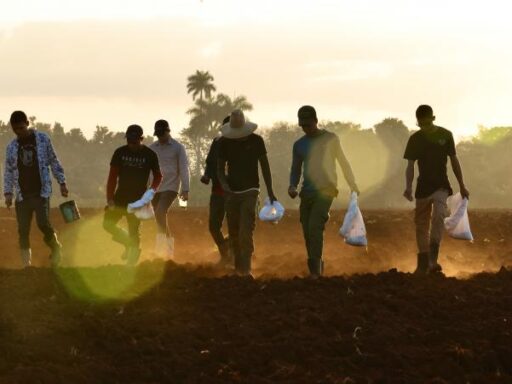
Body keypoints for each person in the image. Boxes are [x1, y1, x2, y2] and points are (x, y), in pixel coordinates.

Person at [289, 105, 359, 278]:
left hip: (326, 190)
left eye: (309, 124)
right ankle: (315, 265)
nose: (306, 128)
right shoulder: (299, 145)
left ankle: (316, 272)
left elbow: (343, 162)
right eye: (303, 125)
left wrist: (352, 183)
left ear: (316, 121)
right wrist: (292, 186)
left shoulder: (331, 139)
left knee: (314, 226)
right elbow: (296, 169)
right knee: (307, 230)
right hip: (307, 192)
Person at [403, 105, 469, 274]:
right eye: (421, 124)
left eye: (426, 123)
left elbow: (454, 160)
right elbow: (410, 165)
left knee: (439, 216)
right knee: (421, 224)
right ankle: (423, 262)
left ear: (433, 119)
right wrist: (408, 187)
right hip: (422, 187)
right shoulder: (415, 139)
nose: (424, 127)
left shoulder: (446, 135)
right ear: (418, 123)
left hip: (441, 185)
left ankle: (433, 259)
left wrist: (462, 185)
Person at [3, 110, 69, 267]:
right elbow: (9, 171)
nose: (19, 131)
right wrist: (7, 193)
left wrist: (62, 182)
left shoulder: (42, 139)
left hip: (41, 192)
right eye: (15, 129)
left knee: (42, 223)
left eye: (21, 128)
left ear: (27, 123)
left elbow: (53, 160)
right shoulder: (12, 147)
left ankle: (56, 247)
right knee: (23, 230)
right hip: (22, 195)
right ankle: (27, 265)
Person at [217, 110, 277, 276]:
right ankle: (238, 268)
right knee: (234, 231)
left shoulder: (257, 141)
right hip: (232, 192)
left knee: (246, 230)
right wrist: (224, 185)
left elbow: (265, 167)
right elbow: (220, 169)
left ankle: (247, 268)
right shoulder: (224, 142)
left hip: (251, 190)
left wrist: (270, 191)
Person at [103, 124, 162, 265]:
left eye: (134, 142)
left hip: (139, 199)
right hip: (120, 197)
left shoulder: (150, 155)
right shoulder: (120, 153)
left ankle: (131, 262)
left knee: (133, 229)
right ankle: (127, 243)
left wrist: (151, 191)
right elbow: (112, 177)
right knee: (107, 224)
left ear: (141, 139)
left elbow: (158, 177)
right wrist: (110, 199)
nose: (131, 145)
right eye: (129, 141)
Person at [149, 119, 190, 259]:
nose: (160, 137)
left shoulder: (178, 147)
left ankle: (160, 250)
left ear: (168, 131)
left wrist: (186, 189)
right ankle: (169, 251)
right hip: (155, 187)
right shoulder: (152, 148)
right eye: (158, 134)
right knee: (159, 216)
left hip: (171, 186)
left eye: (162, 134)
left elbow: (184, 168)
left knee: (160, 212)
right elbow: (147, 169)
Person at [201, 116, 231, 266]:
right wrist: (206, 174)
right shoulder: (217, 142)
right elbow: (210, 161)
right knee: (213, 226)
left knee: (235, 226)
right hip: (217, 190)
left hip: (234, 193)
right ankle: (225, 252)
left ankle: (231, 255)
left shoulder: (241, 145)